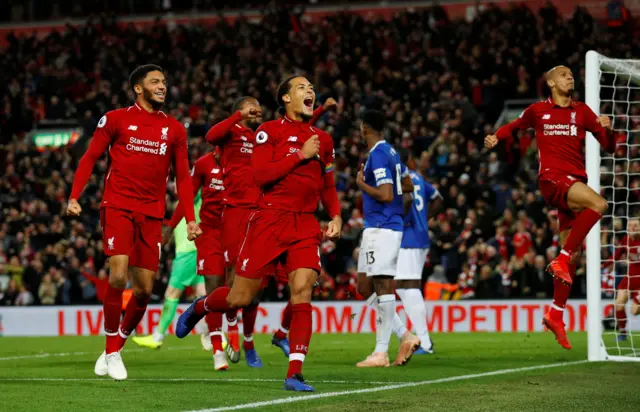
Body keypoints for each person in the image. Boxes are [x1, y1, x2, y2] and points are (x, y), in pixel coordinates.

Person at [176, 75, 342, 392]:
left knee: (303, 290)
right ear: (285, 99)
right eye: (302, 88)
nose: (309, 90)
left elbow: (328, 184)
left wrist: (335, 214)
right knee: (240, 296)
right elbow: (261, 175)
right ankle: (201, 307)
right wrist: (300, 155)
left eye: (311, 87)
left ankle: (294, 373)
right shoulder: (268, 132)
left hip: (305, 223)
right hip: (268, 220)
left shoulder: (324, 140)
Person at [67, 64, 200, 380]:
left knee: (143, 290)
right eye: (155, 81)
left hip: (152, 214)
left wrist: (191, 220)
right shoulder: (115, 119)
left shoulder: (175, 130)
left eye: (164, 81)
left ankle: (115, 347)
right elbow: (89, 157)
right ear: (138, 88)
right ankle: (111, 351)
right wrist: (74, 195)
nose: (162, 86)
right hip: (118, 207)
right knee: (118, 275)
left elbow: (183, 176)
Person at [485, 65, 615, 350]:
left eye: (571, 74)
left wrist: (607, 129)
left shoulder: (583, 112)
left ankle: (555, 314)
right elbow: (514, 126)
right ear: (552, 82)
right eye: (565, 74)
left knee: (572, 259)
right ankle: (561, 258)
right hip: (552, 179)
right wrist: (497, 136)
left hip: (574, 183)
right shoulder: (537, 111)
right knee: (599, 203)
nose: (570, 77)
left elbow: (609, 147)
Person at [204, 97, 265, 367]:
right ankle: (232, 333)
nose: (257, 109)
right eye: (253, 105)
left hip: (261, 212)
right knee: (232, 275)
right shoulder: (230, 132)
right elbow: (210, 135)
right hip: (235, 211)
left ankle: (249, 340)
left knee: (257, 280)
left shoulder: (259, 137)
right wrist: (238, 114)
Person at [355, 109, 415, 367]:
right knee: (364, 287)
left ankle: (380, 352)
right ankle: (404, 335)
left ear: (365, 128)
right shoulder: (392, 152)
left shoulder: (378, 155)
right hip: (383, 226)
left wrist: (361, 185)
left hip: (381, 227)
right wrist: (398, 219)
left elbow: (387, 194)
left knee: (382, 284)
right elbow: (409, 186)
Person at [132, 194, 211, 353]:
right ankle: (212, 336)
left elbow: (193, 189)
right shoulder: (182, 204)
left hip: (187, 254)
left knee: (172, 294)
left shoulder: (192, 198)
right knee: (202, 295)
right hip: (197, 251)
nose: (175, 186)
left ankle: (158, 336)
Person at [396, 151, 441, 357]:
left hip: (409, 238)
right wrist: (425, 218)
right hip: (420, 236)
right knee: (403, 287)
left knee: (409, 286)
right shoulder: (417, 177)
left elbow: (406, 202)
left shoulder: (400, 178)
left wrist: (397, 222)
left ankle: (424, 341)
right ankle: (422, 338)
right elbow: (438, 198)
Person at [613, 218, 640, 341]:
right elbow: (616, 256)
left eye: (635, 225)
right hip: (630, 278)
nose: (632, 228)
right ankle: (622, 333)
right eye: (630, 225)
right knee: (619, 303)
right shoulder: (626, 240)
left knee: (634, 311)